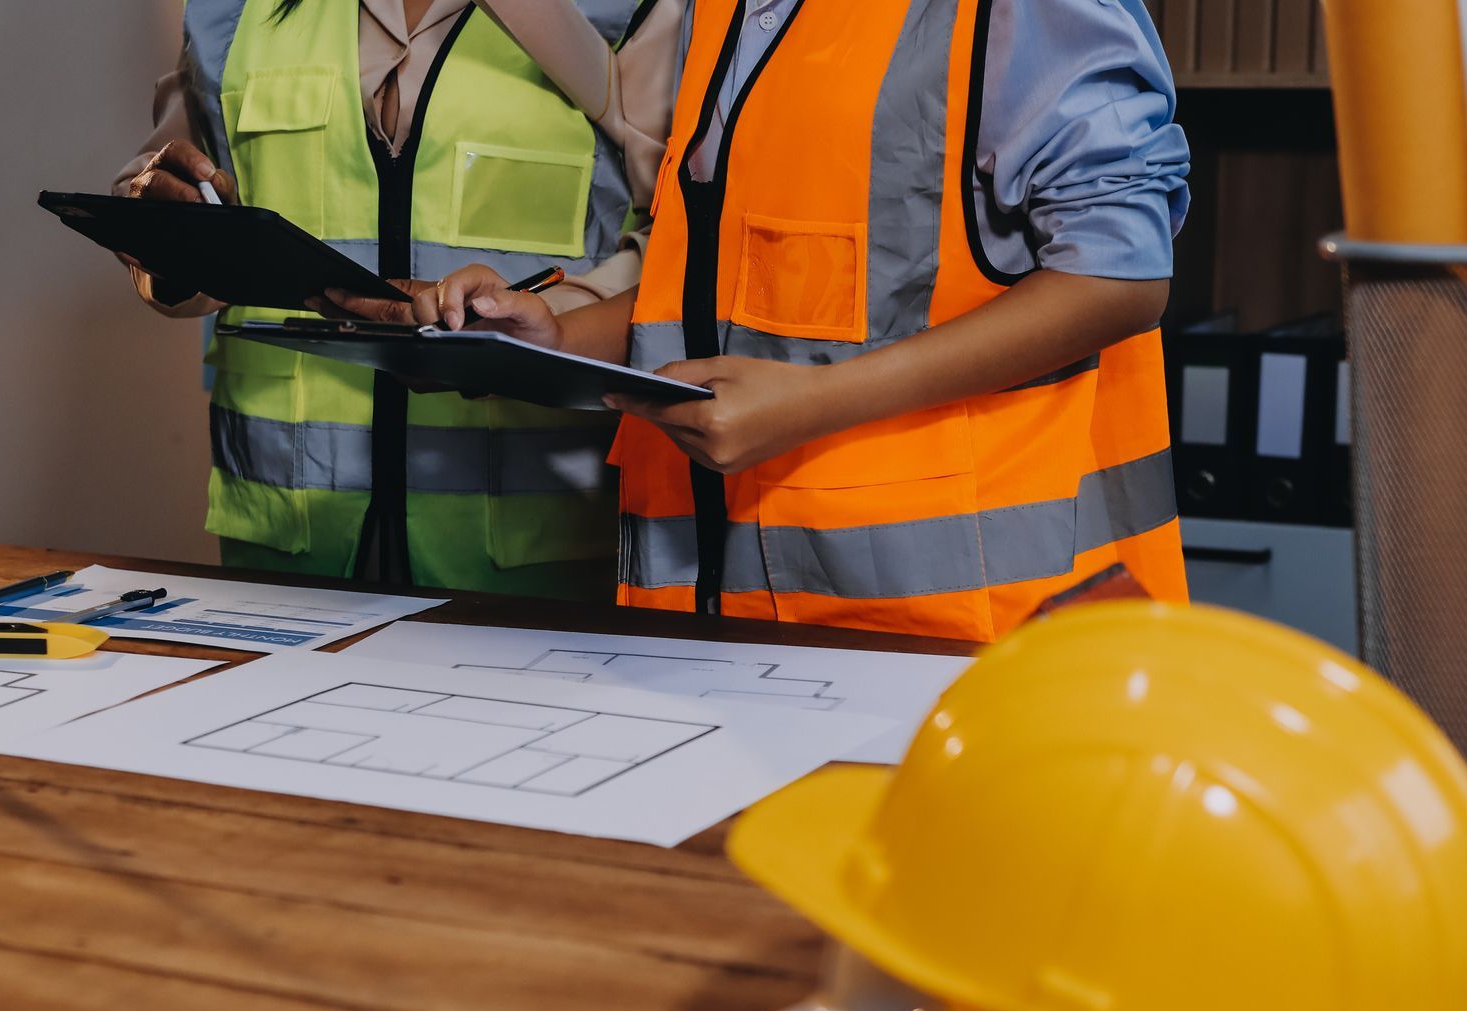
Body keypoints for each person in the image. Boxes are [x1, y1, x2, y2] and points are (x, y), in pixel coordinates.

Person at [330, 0, 1192, 642]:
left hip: (971, 632)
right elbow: (721, 290)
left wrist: (812, 404)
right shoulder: (731, 12)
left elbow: (1120, 277)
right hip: (726, 619)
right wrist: (553, 336)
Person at [114, 0, 684, 600]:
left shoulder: (633, 9)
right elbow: (182, 204)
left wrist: (552, 326)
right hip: (283, 548)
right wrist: (160, 231)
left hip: (545, 556)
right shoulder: (229, 11)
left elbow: (690, 253)